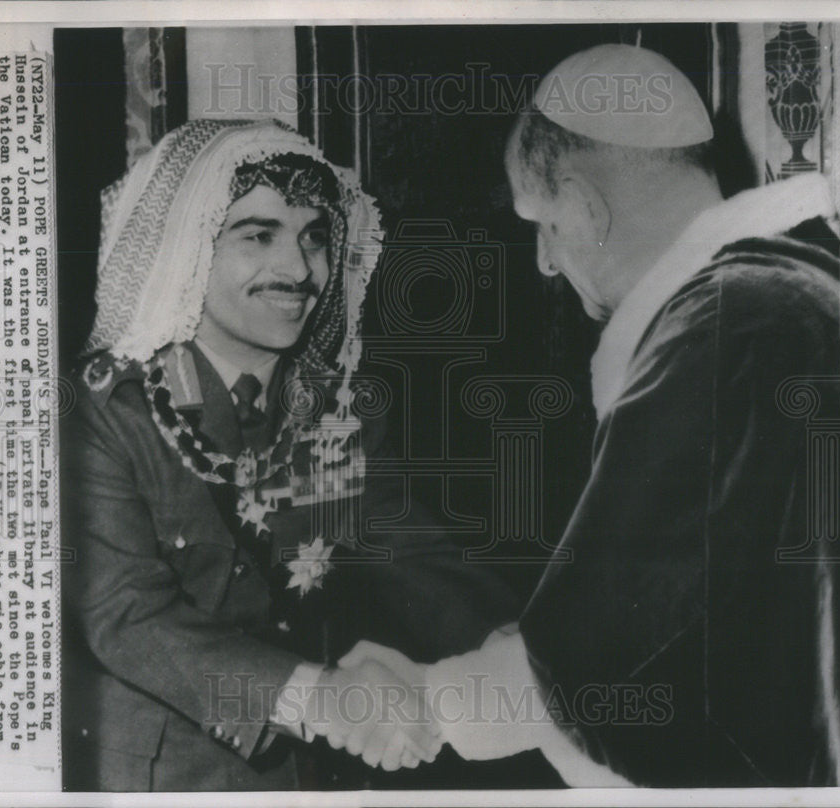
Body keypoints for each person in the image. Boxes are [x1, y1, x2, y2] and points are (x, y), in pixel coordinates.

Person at [341, 44, 840, 787]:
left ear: (588, 208)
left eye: (544, 223)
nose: (543, 259)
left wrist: (433, 705)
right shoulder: (794, 292)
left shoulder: (724, 325)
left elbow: (604, 647)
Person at [60, 118, 518, 791]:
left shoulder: (337, 405)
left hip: (315, 774)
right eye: (257, 235)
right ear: (187, 247)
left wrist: (511, 646)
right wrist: (325, 697)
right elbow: (128, 618)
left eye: (315, 238)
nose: (300, 269)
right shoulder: (103, 410)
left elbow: (405, 551)